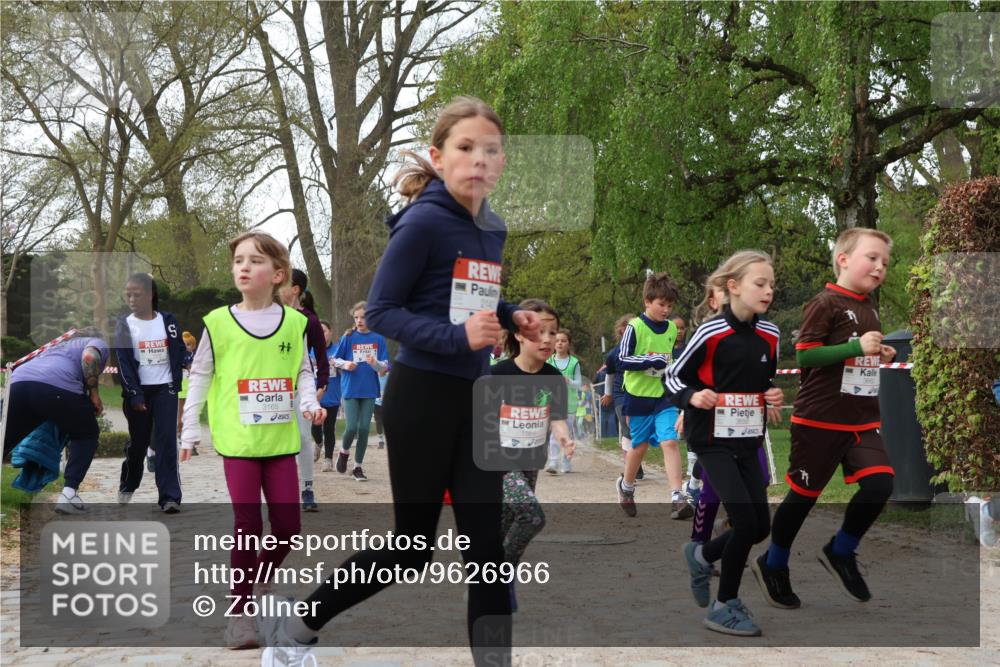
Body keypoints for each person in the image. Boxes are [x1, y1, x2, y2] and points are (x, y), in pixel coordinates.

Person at [255, 96, 540, 667]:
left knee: (487, 551)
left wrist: (509, 315)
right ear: (438, 157)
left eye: (490, 150)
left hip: (475, 398)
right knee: (412, 548)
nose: (478, 160)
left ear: (502, 163)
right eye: (465, 148)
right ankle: (301, 622)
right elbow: (383, 312)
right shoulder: (424, 221)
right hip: (422, 397)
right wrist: (460, 338)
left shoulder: (494, 227)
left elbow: (461, 291)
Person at [178, 231, 326, 649]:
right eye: (238, 260)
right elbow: (200, 375)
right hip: (238, 441)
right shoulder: (218, 322)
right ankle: (239, 614)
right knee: (248, 525)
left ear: (278, 274)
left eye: (255, 261)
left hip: (279, 440)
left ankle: (258, 581)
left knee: (288, 528)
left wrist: (309, 402)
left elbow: (303, 371)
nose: (243, 267)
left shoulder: (297, 323)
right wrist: (189, 430)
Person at [753, 228, 896, 610]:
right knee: (803, 499)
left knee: (881, 485)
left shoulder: (869, 306)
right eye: (872, 257)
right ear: (844, 259)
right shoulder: (825, 302)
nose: (880, 266)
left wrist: (875, 353)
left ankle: (841, 550)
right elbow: (806, 356)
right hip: (820, 420)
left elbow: (851, 355)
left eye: (885, 261)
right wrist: (854, 346)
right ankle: (774, 562)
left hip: (861, 420)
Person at [667, 250, 783, 636]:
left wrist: (771, 396)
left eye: (771, 284)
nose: (768, 290)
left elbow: (761, 381)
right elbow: (672, 377)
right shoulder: (711, 331)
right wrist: (692, 397)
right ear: (733, 287)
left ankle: (700, 555)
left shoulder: (772, 334)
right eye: (760, 283)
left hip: (749, 440)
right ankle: (724, 604)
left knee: (760, 527)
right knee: (746, 521)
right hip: (712, 441)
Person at [492, 298, 575, 612]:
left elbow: (556, 416)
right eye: (538, 332)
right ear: (517, 334)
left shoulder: (553, 378)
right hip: (498, 461)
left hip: (531, 461)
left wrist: (564, 437)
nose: (547, 339)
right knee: (531, 516)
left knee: (508, 526)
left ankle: (490, 577)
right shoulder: (497, 375)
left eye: (552, 333)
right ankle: (496, 580)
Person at [3, 330, 109, 514]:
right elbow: (90, 356)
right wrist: (94, 394)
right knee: (86, 434)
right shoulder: (96, 342)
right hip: (57, 386)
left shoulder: (54, 347)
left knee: (3, 438)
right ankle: (68, 494)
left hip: (19, 383)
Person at [615, 272, 691, 519]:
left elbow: (668, 360)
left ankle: (677, 497)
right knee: (640, 447)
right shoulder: (634, 327)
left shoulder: (671, 328)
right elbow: (622, 359)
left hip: (662, 396)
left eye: (670, 305)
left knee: (670, 441)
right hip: (637, 397)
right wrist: (651, 360)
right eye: (661, 304)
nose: (666, 310)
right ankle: (626, 487)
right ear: (647, 302)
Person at [114, 273, 186, 512]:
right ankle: (128, 483)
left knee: (167, 441)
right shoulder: (124, 325)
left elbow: (178, 350)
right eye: (129, 295)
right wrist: (134, 394)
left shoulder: (168, 320)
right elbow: (123, 363)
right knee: (139, 443)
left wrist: (185, 367)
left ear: (151, 294)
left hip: (165, 388)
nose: (132, 299)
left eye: (137, 294)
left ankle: (169, 497)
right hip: (138, 393)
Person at [279, 268, 330, 511]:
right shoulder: (271, 316)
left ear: (296, 289)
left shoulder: (309, 319)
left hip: (302, 389)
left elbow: (320, 356)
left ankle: (307, 488)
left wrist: (321, 386)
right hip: (274, 390)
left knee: (302, 438)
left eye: (283, 283)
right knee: (278, 442)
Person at [331, 300, 389, 481]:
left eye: (363, 317)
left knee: (364, 428)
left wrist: (376, 364)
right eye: (356, 317)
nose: (359, 320)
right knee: (351, 428)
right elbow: (334, 359)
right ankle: (343, 452)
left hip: (370, 389)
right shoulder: (348, 337)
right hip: (350, 389)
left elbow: (384, 367)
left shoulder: (379, 339)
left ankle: (357, 467)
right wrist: (346, 364)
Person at [603, 314, 643, 479]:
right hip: (621, 395)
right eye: (630, 326)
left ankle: (635, 464)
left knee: (638, 430)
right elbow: (609, 375)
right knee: (627, 429)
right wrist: (608, 394)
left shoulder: (641, 349)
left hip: (639, 394)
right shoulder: (614, 354)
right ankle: (632, 467)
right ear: (621, 330)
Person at [546, 328, 582, 473]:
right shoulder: (548, 361)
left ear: (569, 344)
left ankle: (566, 461)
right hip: (553, 402)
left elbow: (579, 383)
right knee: (555, 433)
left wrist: (568, 381)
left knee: (568, 434)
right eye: (558, 340)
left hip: (570, 403)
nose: (560, 343)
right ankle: (553, 462)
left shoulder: (574, 363)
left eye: (563, 341)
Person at [314, 321, 341, 472]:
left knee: (329, 428)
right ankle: (318, 443)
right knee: (315, 426)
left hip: (332, 395)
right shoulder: (310, 350)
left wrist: (339, 364)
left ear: (330, 332)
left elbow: (346, 369)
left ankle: (328, 459)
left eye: (323, 331)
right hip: (314, 395)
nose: (321, 334)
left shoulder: (338, 350)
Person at [175, 331, 199, 459]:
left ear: (193, 345)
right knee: (180, 414)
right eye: (184, 344)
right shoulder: (179, 356)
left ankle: (191, 441)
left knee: (191, 414)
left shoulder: (196, 356)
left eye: (189, 345)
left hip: (191, 388)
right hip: (181, 389)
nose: (187, 347)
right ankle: (180, 435)